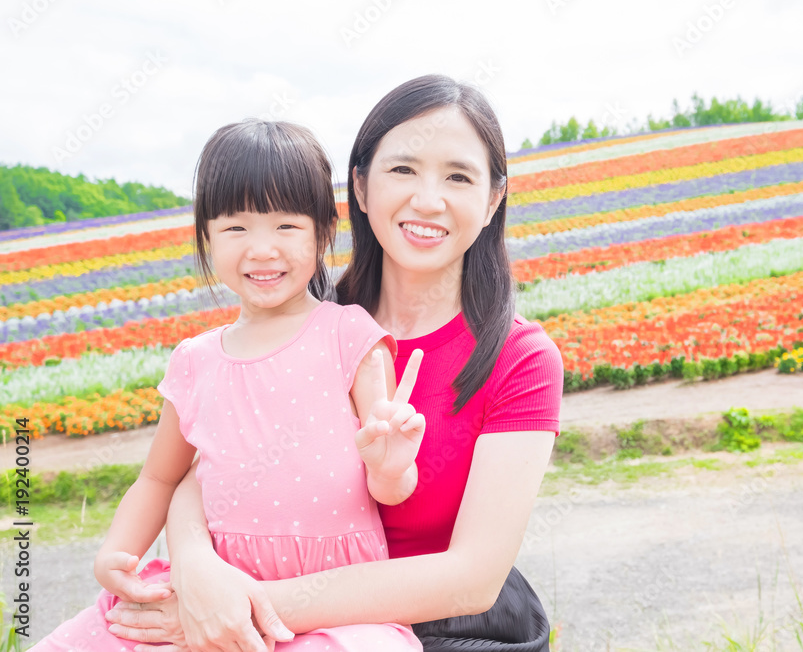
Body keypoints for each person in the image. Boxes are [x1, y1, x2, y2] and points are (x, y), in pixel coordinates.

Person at [102, 75, 563, 652]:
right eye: (403, 169)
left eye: (458, 176)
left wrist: (249, 607)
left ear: (493, 200)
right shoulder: (300, 326)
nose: (428, 199)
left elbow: (469, 580)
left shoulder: (519, 359)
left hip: (449, 631)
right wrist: (196, 569)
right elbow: (203, 467)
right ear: (361, 188)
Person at [32, 119, 428, 651]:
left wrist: (391, 463)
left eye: (286, 227)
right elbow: (158, 478)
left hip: (333, 603)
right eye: (236, 228)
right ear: (207, 238)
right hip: (212, 590)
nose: (262, 249)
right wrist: (114, 555)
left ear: (322, 232)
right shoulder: (195, 361)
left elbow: (389, 487)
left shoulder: (347, 334)